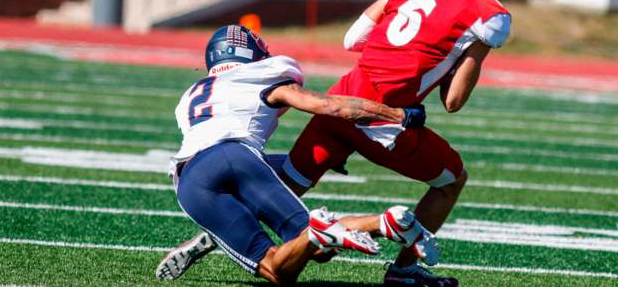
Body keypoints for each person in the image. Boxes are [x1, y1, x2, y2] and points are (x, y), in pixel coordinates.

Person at [158, 0, 521, 287]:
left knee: (284, 187)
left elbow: (353, 40)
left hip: (341, 98)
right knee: (451, 179)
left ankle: (212, 235)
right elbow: (453, 101)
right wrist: (468, 52)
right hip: (382, 122)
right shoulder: (489, 14)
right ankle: (404, 270)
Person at [156, 24, 437, 285]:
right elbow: (330, 106)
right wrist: (396, 115)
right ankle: (373, 223)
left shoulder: (191, 95)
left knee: (291, 260)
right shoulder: (263, 76)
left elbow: (212, 144)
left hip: (191, 176)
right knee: (300, 250)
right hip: (241, 156)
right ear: (249, 53)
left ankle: (379, 224)